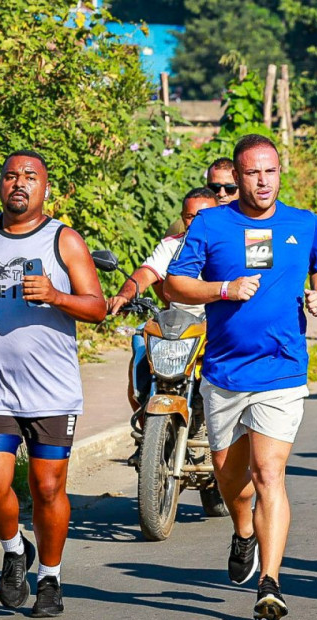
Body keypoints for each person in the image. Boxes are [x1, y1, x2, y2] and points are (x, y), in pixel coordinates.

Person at [164, 134, 317, 620]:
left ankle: (270, 582)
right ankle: (243, 532)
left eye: (270, 171)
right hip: (224, 371)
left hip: (282, 368)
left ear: (280, 172)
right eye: (253, 172)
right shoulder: (211, 223)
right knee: (229, 477)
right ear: (237, 177)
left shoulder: (304, 223)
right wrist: (224, 289)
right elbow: (175, 283)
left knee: (269, 475)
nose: (263, 181)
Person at [0, 150, 106, 617]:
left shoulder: (64, 240)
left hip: (50, 390)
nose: (19, 182)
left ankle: (51, 579)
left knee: (47, 488)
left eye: (30, 176)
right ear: (0, 184)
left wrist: (56, 296)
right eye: (11, 176)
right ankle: (15, 548)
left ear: (45, 188)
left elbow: (97, 307)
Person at [107, 188, 218, 487]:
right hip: (178, 328)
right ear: (182, 218)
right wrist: (125, 294)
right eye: (190, 217)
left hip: (217, 329)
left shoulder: (228, 246)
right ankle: (148, 436)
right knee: (141, 353)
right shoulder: (172, 245)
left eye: (204, 216)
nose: (196, 223)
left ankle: (214, 432)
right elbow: (146, 273)